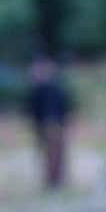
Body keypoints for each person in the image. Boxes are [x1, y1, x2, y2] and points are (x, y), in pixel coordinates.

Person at [26, 57, 72, 189]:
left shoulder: (40, 90)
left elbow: (34, 110)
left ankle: (54, 179)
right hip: (53, 125)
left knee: (53, 154)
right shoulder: (52, 89)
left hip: (50, 125)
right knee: (53, 154)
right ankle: (54, 179)